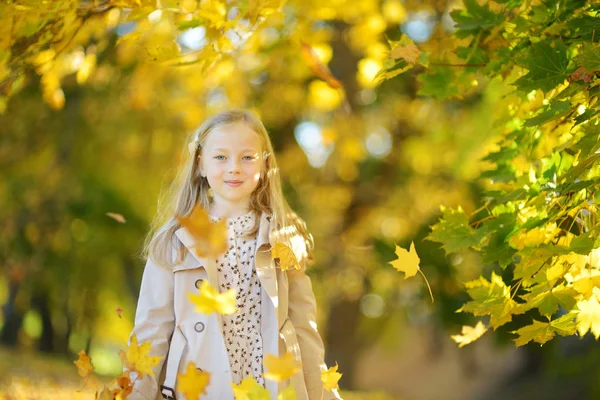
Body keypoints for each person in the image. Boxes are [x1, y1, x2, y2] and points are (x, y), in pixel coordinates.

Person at [127, 109, 341, 400]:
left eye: (247, 157)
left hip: (266, 388)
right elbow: (151, 331)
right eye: (220, 157)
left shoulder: (283, 241)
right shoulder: (175, 241)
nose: (234, 168)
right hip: (197, 388)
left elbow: (305, 330)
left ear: (265, 165)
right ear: (200, 164)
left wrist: (323, 395)